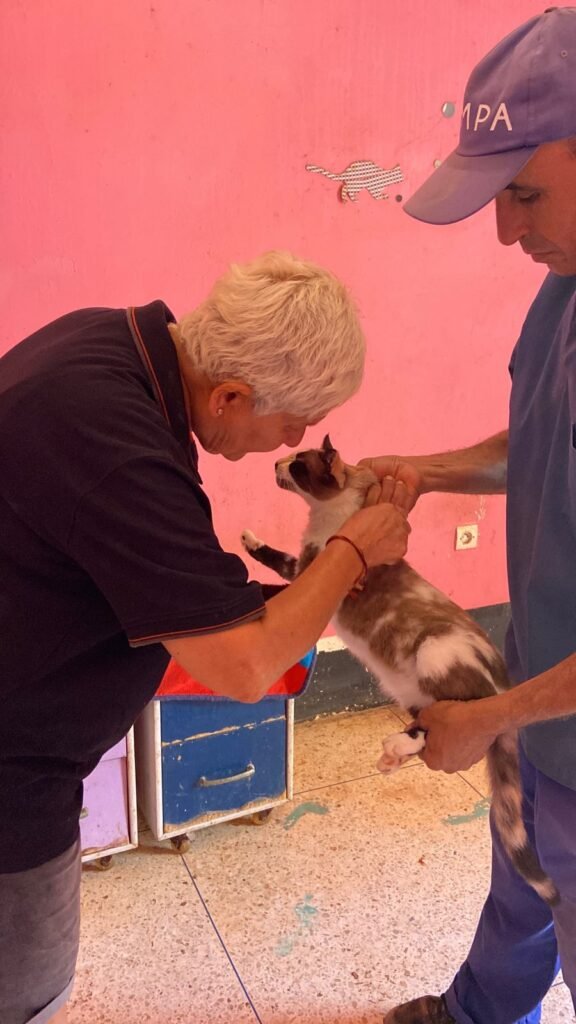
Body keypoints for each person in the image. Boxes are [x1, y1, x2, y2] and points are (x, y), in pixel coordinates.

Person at [0, 250, 411, 1024]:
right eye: (290, 424)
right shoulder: (118, 448)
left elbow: (163, 577)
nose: (290, 441)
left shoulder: (103, 344)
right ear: (229, 396)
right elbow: (245, 667)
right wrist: (353, 548)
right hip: (12, 784)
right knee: (26, 998)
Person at [361, 8, 576, 1024]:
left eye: (524, 194)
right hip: (541, 691)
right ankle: (484, 1011)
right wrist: (428, 470)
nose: (505, 230)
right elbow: (539, 435)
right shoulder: (564, 286)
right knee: (520, 882)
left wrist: (488, 716)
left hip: (553, 715)